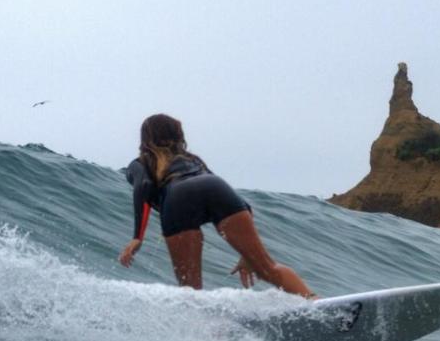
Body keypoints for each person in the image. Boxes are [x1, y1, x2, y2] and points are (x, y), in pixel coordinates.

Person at [117, 113, 314, 297]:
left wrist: (137, 237)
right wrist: (246, 255)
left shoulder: (139, 163)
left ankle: (206, 332)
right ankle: (313, 301)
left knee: (191, 289)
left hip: (178, 199)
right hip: (216, 187)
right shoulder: (193, 160)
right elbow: (242, 205)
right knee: (267, 268)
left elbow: (143, 186)